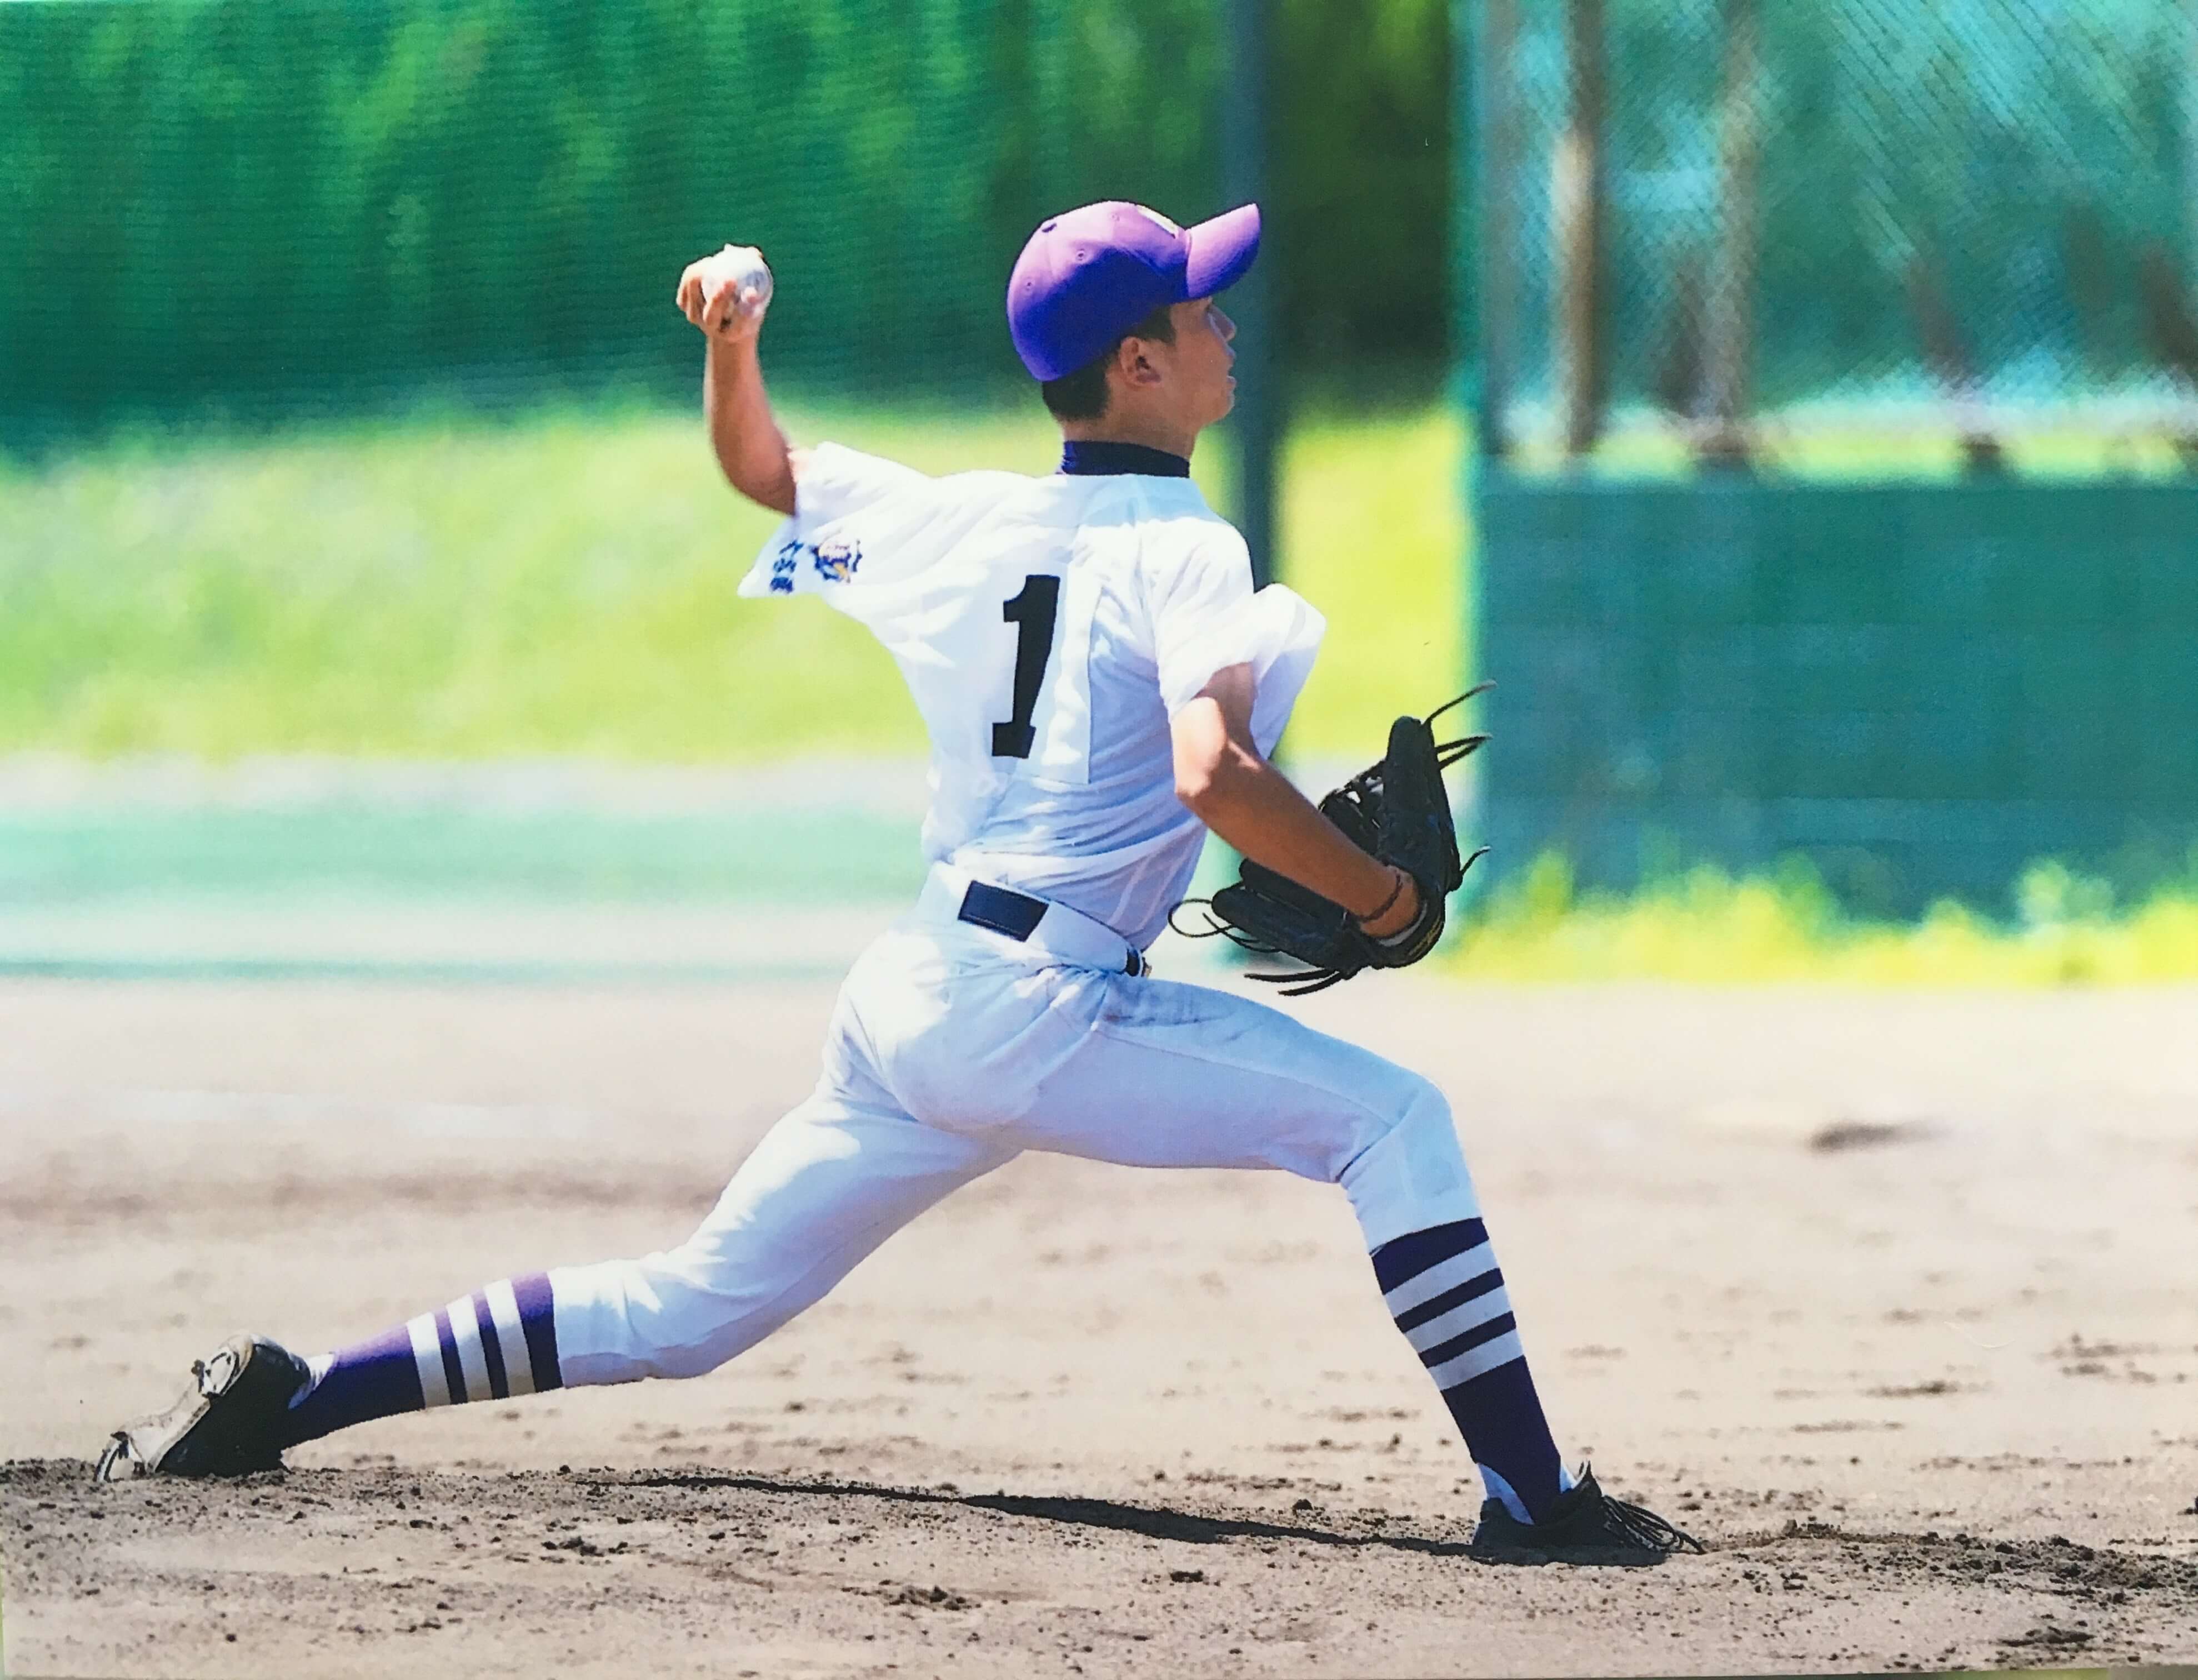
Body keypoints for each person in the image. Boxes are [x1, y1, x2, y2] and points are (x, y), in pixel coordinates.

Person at [97, 201, 1699, 1565]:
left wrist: (732, 336)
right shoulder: (1185, 547)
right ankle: (1532, 1494)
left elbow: (764, 470)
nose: (1227, 323)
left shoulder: (949, 523)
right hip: (1043, 1007)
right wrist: (1379, 900)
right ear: (1140, 364)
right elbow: (1216, 779)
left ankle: (305, 1393)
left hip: (921, 991)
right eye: (1200, 306)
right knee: (1394, 1121)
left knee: (690, 1309)